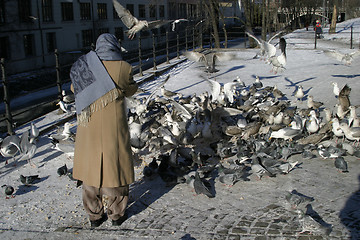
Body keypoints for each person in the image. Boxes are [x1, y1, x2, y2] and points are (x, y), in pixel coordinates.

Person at [70, 33, 138, 227]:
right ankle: (116, 215)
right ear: (115, 46)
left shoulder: (84, 65)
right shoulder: (124, 68)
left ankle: (94, 216)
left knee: (90, 171)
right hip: (113, 128)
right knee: (115, 169)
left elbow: (75, 89)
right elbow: (131, 90)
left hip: (88, 127)